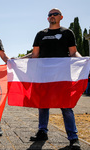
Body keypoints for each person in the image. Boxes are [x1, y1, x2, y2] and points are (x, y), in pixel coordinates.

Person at [29, 8, 81, 149]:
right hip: (44, 76)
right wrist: (18, 60)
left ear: (61, 17)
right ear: (48, 19)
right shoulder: (40, 34)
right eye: (50, 15)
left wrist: (84, 61)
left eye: (55, 14)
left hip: (62, 76)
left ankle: (73, 137)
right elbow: (34, 55)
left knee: (66, 106)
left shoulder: (67, 33)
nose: (52, 16)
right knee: (43, 105)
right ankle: (42, 132)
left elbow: (73, 52)